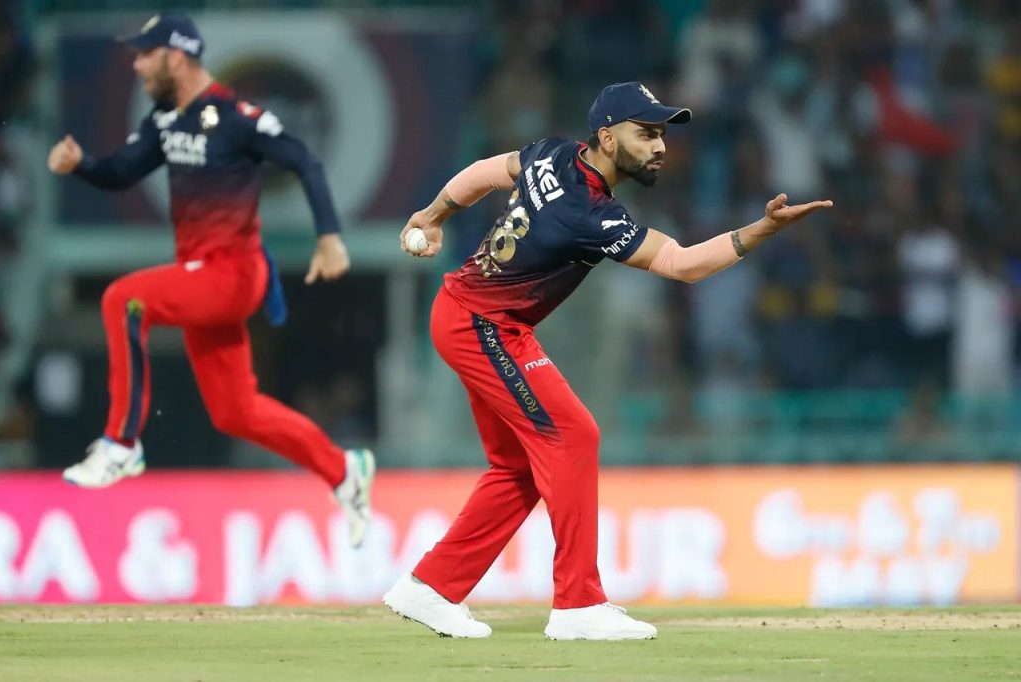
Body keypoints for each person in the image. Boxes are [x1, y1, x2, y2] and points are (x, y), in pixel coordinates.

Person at [382, 82, 832, 638]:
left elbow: (482, 172)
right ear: (608, 137)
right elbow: (683, 265)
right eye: (646, 134)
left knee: (519, 468)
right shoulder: (590, 214)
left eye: (661, 134)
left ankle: (430, 588)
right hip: (483, 326)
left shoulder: (551, 153)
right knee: (573, 437)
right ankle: (578, 605)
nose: (659, 146)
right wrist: (761, 230)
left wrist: (433, 215)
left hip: (470, 316)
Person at [46, 13, 375, 547]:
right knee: (236, 412)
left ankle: (121, 443)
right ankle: (343, 470)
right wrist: (81, 163)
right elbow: (122, 171)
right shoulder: (165, 120)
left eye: (145, 54)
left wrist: (329, 237)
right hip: (202, 279)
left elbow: (304, 161)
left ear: (176, 57)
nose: (136, 65)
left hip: (233, 273)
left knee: (123, 299)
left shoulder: (235, 117)